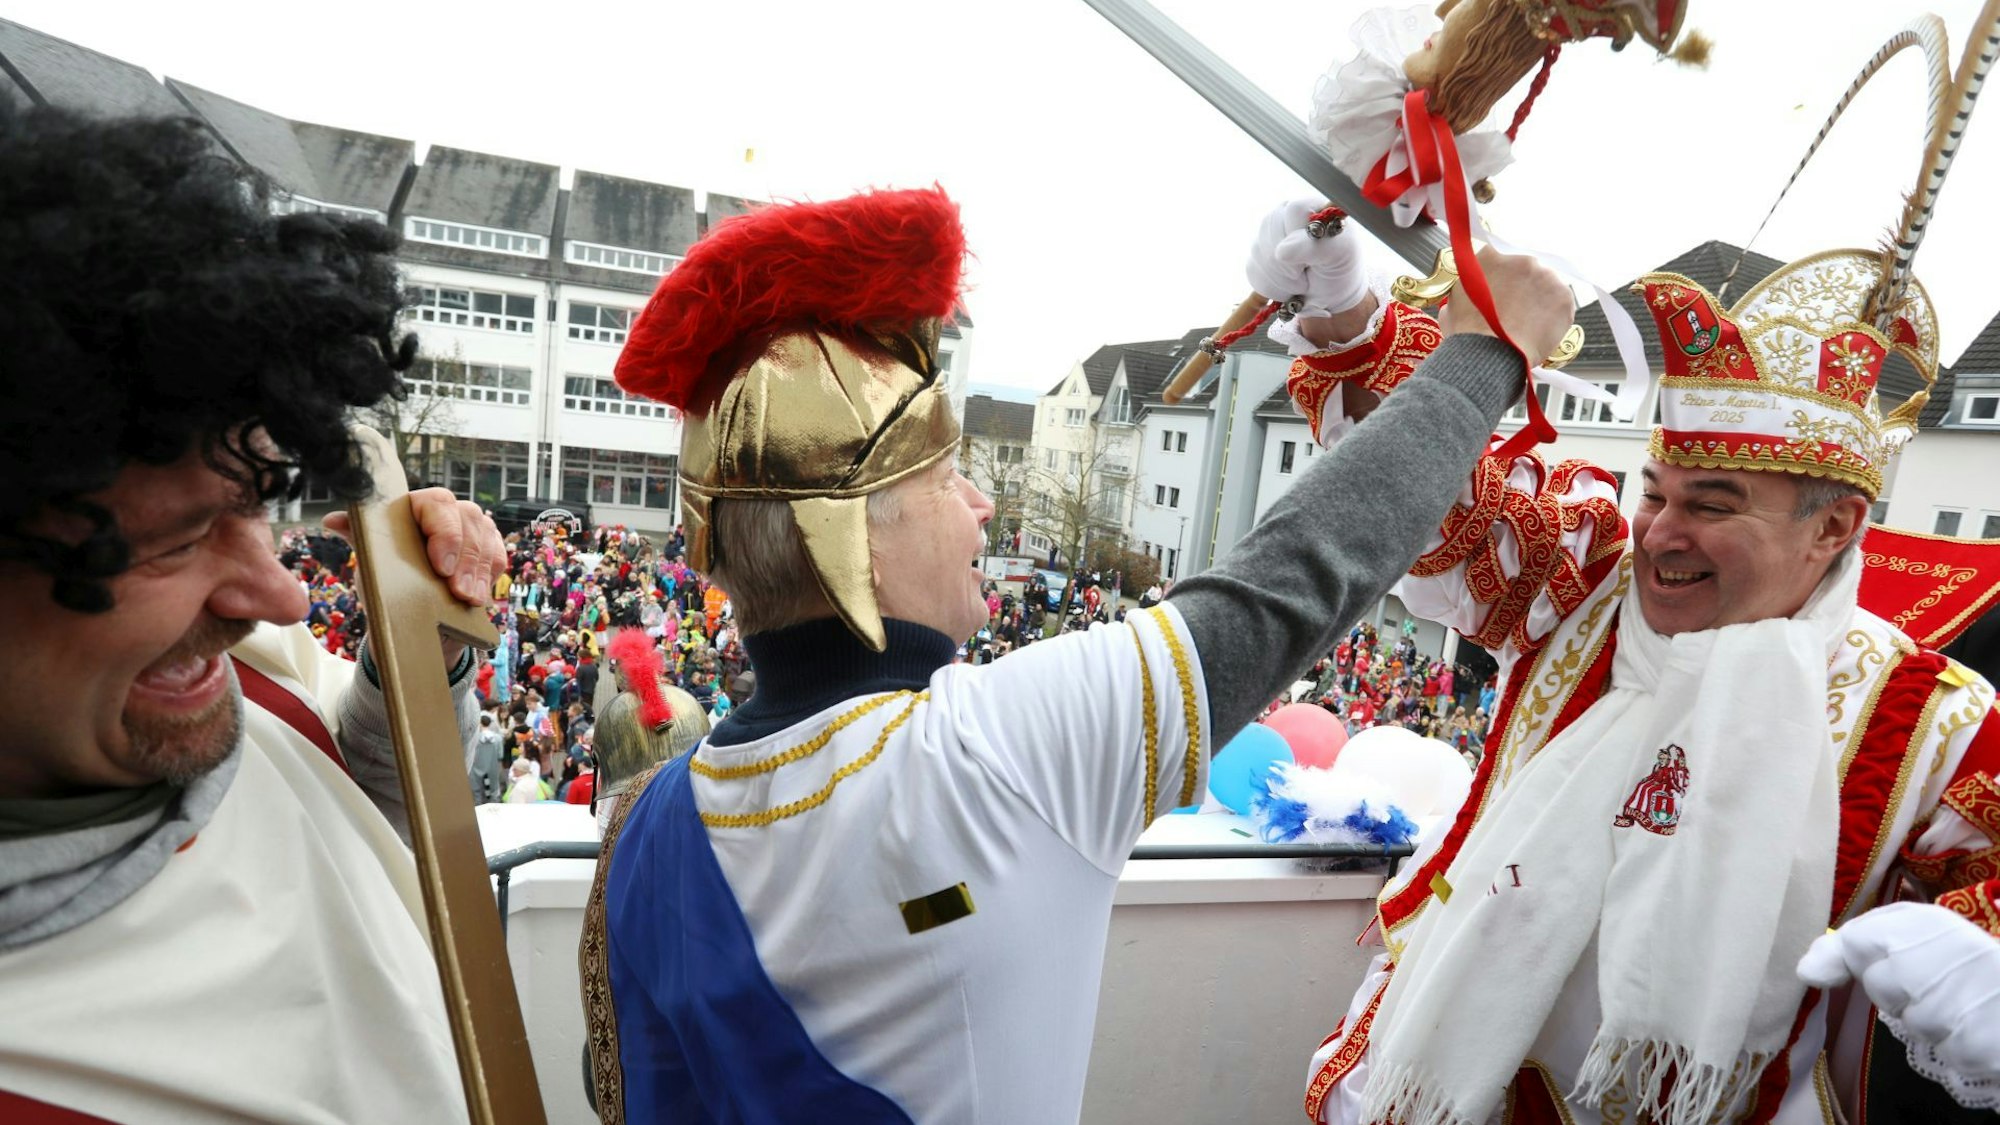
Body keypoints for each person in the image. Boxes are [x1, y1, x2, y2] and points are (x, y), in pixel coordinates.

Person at [579, 187, 1574, 1121]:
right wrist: (1484, 353)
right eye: (946, 478)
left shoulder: (640, 828)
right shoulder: (997, 750)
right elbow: (1304, 569)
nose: (982, 506)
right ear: (857, 536)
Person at [1305, 100, 2000, 1124]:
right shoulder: (1588, 583)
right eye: (1654, 493)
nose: (1661, 533)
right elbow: (1437, 503)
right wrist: (1344, 322)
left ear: (1832, 527)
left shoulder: (1931, 723)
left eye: (1712, 506)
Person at [0, 103, 506, 1122]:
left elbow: (370, 800)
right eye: (176, 541)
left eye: (254, 507)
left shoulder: (225, 673)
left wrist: (420, 650)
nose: (280, 594)